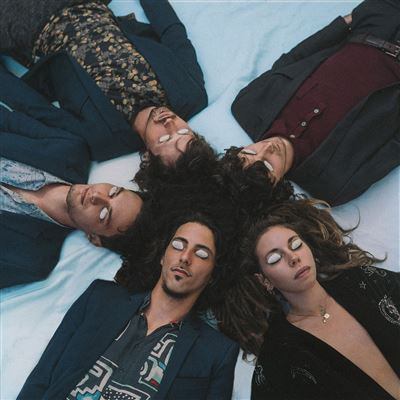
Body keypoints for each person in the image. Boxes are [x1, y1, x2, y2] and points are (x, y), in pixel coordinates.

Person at [17, 213, 240, 400]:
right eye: (178, 245)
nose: (185, 257)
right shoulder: (100, 298)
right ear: (163, 257)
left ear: (212, 275)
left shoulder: (217, 353)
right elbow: (42, 375)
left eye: (201, 254)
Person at [217, 199, 400, 400]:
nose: (293, 258)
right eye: (275, 259)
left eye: (295, 245)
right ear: (264, 280)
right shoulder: (279, 355)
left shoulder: (362, 280)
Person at [226, 0, 400, 205]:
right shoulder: (333, 185)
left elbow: (291, 60)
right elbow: (395, 147)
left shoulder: (248, 105)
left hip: (375, 23)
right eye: (268, 166)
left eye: (250, 153)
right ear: (278, 186)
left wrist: (346, 22)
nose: (267, 148)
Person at [1, 0, 211, 166]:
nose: (170, 124)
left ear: (147, 156)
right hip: (92, 5)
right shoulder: (190, 93)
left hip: (32, 25)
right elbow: (173, 34)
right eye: (184, 133)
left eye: (164, 140)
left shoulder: (100, 139)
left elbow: (35, 107)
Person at [0, 62, 148, 288]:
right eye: (113, 192)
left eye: (104, 214)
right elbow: (9, 120)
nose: (96, 196)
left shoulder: (31, 259)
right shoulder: (68, 150)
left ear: (95, 239)